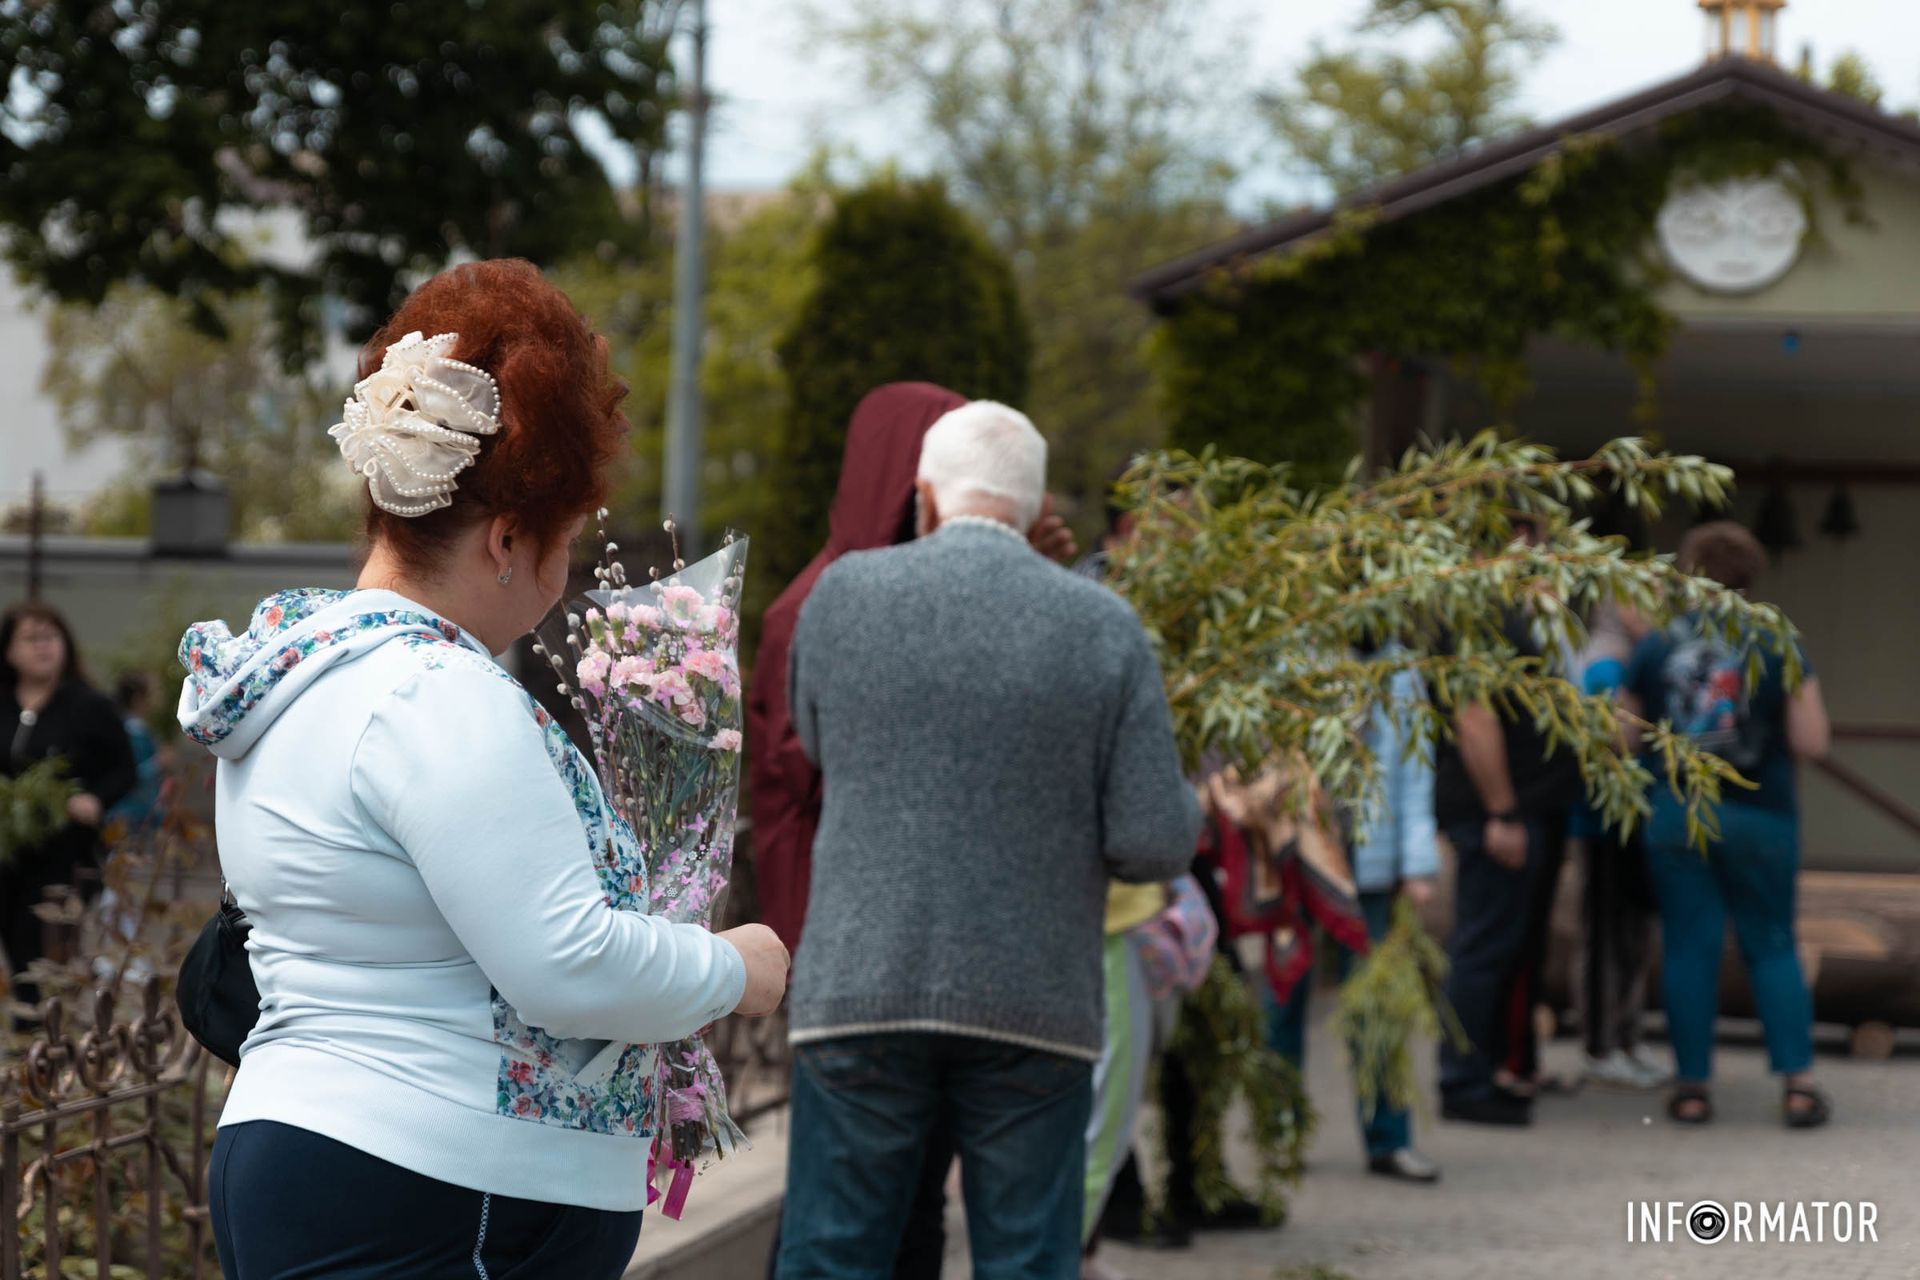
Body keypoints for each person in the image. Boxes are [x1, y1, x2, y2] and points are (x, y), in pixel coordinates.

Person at [184, 259, 790, 1280]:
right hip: (429, 1184)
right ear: (508, 536)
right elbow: (564, 963)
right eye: (560, 547)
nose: (556, 586)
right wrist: (736, 967)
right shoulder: (435, 693)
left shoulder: (291, 673)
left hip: (328, 1147)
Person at [775, 401, 1200, 1280]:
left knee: (832, 1255)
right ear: (1035, 507)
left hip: (861, 982)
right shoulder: (1104, 627)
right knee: (1025, 1261)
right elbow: (1156, 840)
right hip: (1034, 998)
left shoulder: (842, 598)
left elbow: (818, 746)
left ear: (925, 494)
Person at [748, 381, 1075, 1280]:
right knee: (844, 1218)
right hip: (850, 948)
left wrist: (1017, 582)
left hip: (920, 948)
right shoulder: (819, 609)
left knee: (900, 1201)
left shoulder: (868, 599)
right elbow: (820, 770)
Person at [1621, 521, 1831, 1129]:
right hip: (1761, 814)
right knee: (1771, 945)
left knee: (1690, 946)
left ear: (1689, 572)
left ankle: (1691, 1088)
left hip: (1677, 812)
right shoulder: (1776, 641)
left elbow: (1623, 735)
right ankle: (1798, 1085)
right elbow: (1811, 740)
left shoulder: (1659, 643)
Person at [1264, 646, 1442, 1181]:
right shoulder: (1289, 652)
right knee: (1283, 993)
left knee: (1376, 1002)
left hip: (1370, 855)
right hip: (1298, 853)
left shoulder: (1398, 668)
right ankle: (1279, 1130)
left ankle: (1388, 1137)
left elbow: (1414, 767)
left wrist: (1416, 864)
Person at [1434, 569, 1584, 1126]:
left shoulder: (1511, 621)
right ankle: (1462, 1079)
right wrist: (1502, 811)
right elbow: (1475, 719)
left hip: (1520, 808)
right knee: (1483, 946)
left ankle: (1489, 1067)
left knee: (1503, 947)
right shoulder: (1480, 624)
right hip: (1496, 813)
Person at [2, 601, 136, 1009]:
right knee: (14, 938)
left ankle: (44, 1029)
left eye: (51, 637)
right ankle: (30, 1029)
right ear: (8, 650)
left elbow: (125, 768)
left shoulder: (88, 705)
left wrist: (94, 798)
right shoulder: (3, 703)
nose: (43, 647)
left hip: (67, 851)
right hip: (9, 850)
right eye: (31, 639)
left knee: (47, 941)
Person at [1569, 605, 1668, 1090]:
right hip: (1605, 821)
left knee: (1634, 932)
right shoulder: (1606, 666)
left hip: (1631, 819)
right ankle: (1601, 1042)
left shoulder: (1633, 660)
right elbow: (1616, 740)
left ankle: (1629, 1034)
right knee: (1606, 933)